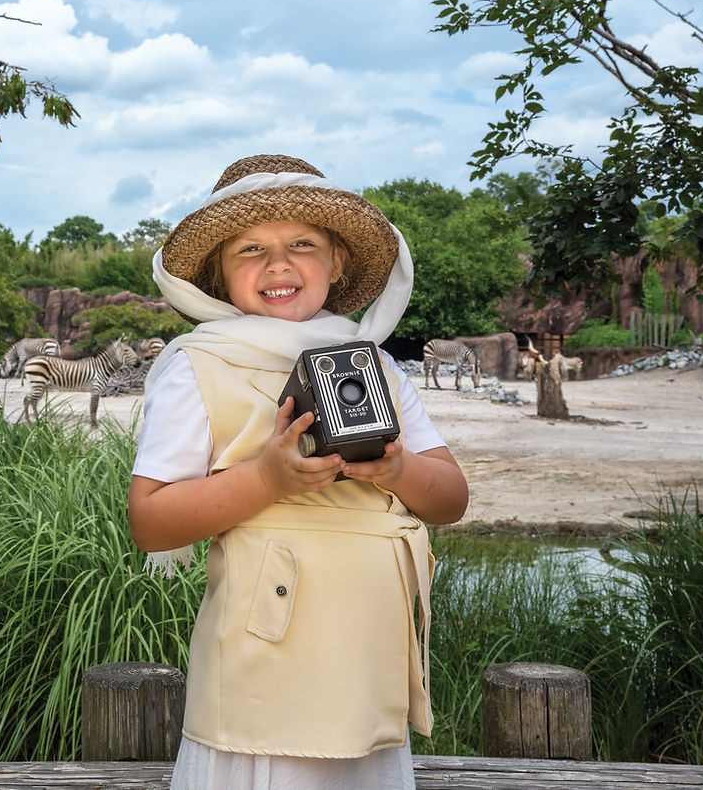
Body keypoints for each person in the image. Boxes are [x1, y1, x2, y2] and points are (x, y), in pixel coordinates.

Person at [129, 154, 469, 790]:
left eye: (302, 245)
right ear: (217, 275)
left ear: (337, 263)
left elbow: (450, 498)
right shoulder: (199, 365)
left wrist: (395, 469)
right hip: (265, 681)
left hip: (369, 676)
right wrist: (266, 479)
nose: (278, 264)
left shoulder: (374, 367)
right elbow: (150, 521)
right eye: (249, 249)